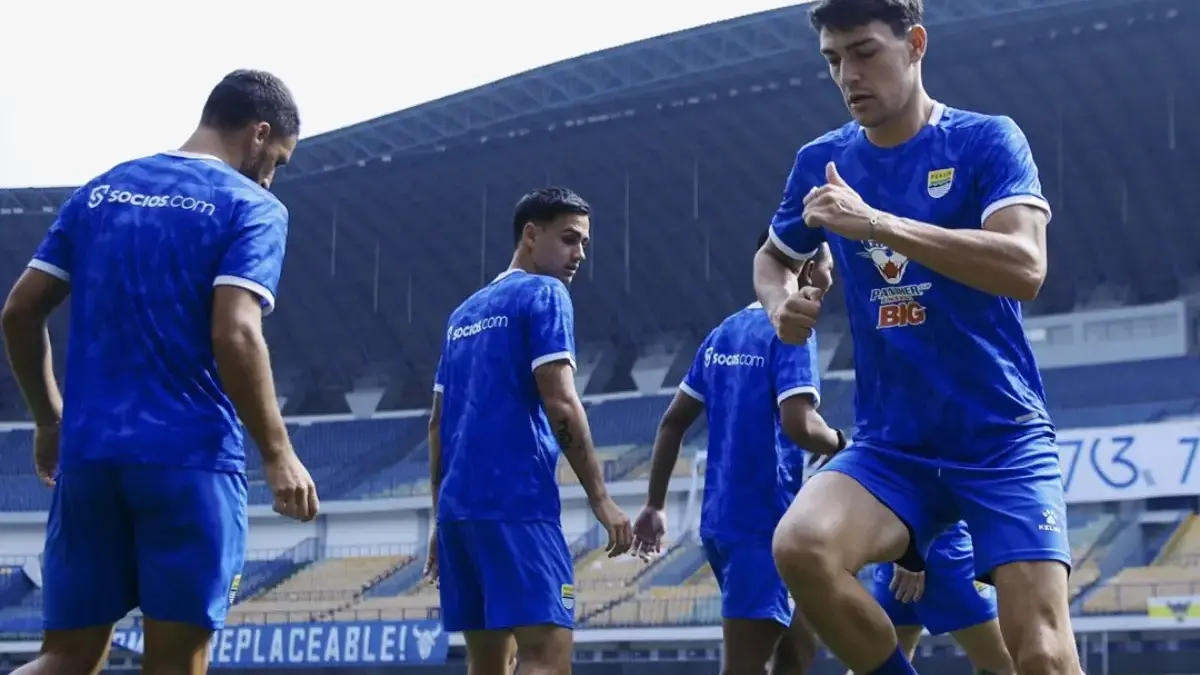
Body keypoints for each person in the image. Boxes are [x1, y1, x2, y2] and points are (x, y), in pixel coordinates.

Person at [751, 2, 1081, 675]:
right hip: (892, 446)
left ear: (916, 44)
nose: (848, 75)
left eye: (864, 52)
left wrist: (877, 222)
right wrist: (780, 305)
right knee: (800, 546)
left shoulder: (986, 139)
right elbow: (773, 257)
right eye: (833, 59)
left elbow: (1026, 266)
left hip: (999, 436)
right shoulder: (822, 160)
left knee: (1043, 656)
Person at [0, 69, 319, 675]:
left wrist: (48, 420)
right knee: (175, 664)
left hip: (89, 460)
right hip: (188, 462)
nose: (272, 177)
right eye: (278, 159)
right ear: (259, 133)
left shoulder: (101, 192)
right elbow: (236, 331)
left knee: (64, 658)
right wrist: (278, 453)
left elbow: (18, 312)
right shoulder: (251, 206)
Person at [422, 187, 633, 675]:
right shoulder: (545, 293)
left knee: (487, 665)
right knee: (546, 657)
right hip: (517, 505)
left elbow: (437, 424)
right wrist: (601, 498)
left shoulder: (462, 316)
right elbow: (560, 400)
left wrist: (439, 521)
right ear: (531, 235)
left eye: (584, 244)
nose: (579, 254)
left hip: (459, 515)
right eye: (569, 239)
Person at [631, 230, 843, 675]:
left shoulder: (723, 333)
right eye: (829, 265)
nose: (833, 275)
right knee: (745, 666)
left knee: (798, 648)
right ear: (807, 268)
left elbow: (672, 422)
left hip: (725, 522)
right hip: (763, 523)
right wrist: (842, 444)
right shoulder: (793, 329)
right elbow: (800, 425)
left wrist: (654, 504)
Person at [854, 523, 1015, 675]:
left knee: (884, 664)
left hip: (900, 549)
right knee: (1000, 664)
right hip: (941, 550)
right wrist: (911, 554)